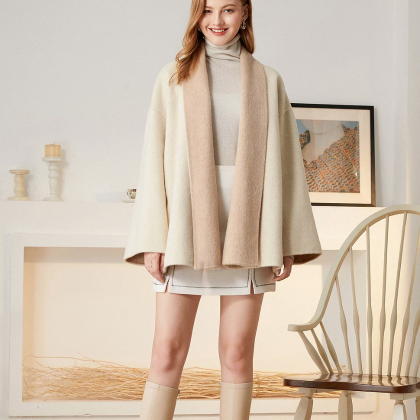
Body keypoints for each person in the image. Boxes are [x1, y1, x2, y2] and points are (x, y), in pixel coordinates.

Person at [123, 0, 323, 418]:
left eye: (228, 10)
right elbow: (153, 158)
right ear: (196, 16)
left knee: (236, 352)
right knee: (167, 351)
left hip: (249, 229)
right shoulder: (173, 77)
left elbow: (288, 165)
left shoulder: (268, 80)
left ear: (245, 14)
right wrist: (153, 238)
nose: (217, 21)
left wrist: (284, 240)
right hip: (184, 230)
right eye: (208, 10)